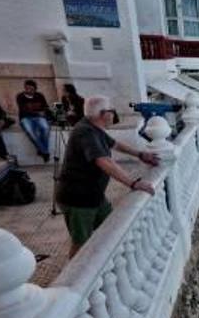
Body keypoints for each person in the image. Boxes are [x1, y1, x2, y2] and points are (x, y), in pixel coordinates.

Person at [56, 95, 160, 258]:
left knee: (112, 227)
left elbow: (115, 144)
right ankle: (72, 279)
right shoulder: (86, 132)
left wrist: (140, 154)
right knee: (81, 242)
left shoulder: (93, 127)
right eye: (112, 110)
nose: (114, 114)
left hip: (94, 195)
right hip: (78, 199)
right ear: (104, 114)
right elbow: (104, 161)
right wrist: (133, 183)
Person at [16, 80, 51, 162]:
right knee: (31, 132)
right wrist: (38, 113)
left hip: (39, 117)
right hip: (26, 118)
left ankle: (41, 150)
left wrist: (44, 112)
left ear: (35, 89)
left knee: (45, 129)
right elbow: (23, 110)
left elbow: (45, 106)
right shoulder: (20, 96)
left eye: (31, 89)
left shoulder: (39, 95)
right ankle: (45, 152)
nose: (28, 90)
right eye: (27, 88)